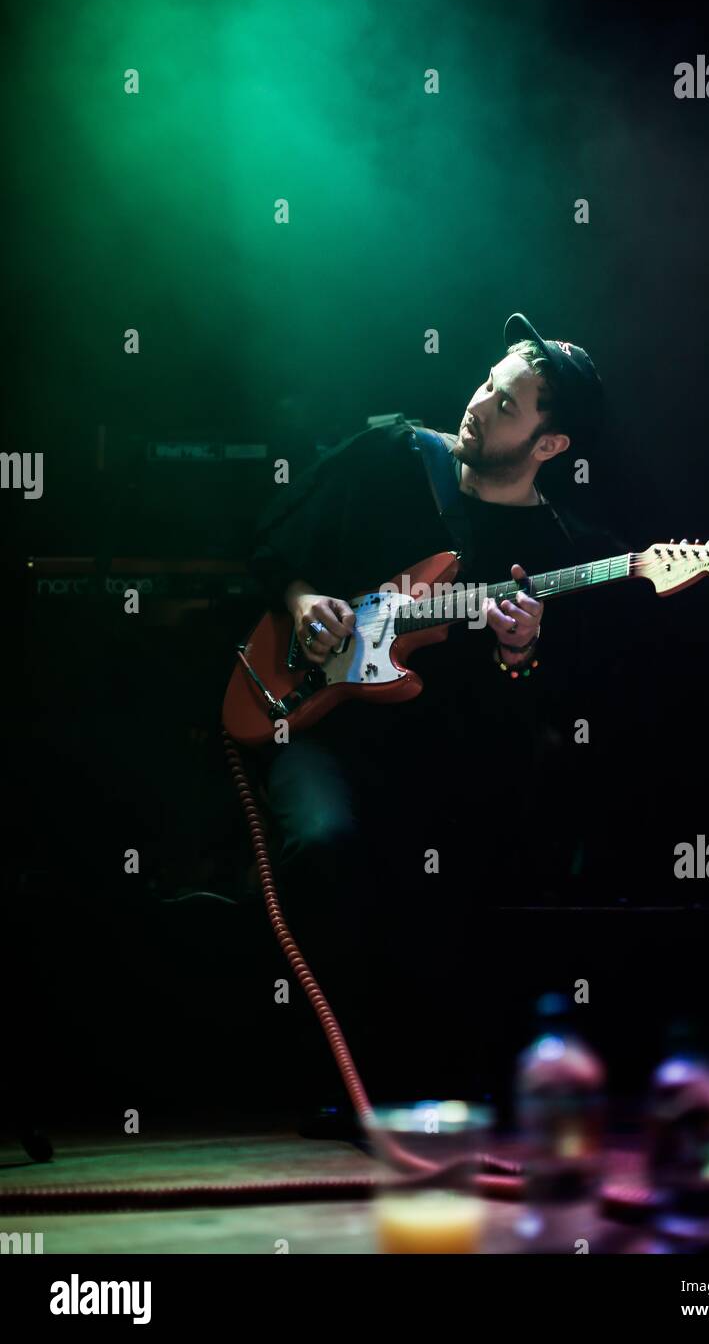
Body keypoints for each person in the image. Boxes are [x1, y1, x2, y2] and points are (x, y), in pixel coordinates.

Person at [247, 313, 615, 1106]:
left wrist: (518, 656)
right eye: (488, 384)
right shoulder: (394, 455)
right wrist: (307, 602)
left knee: (453, 866)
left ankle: (419, 1087)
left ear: (551, 448)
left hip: (436, 766)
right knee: (327, 842)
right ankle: (321, 1082)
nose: (479, 404)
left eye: (508, 405)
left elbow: (540, 711)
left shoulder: (552, 553)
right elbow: (270, 543)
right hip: (318, 729)